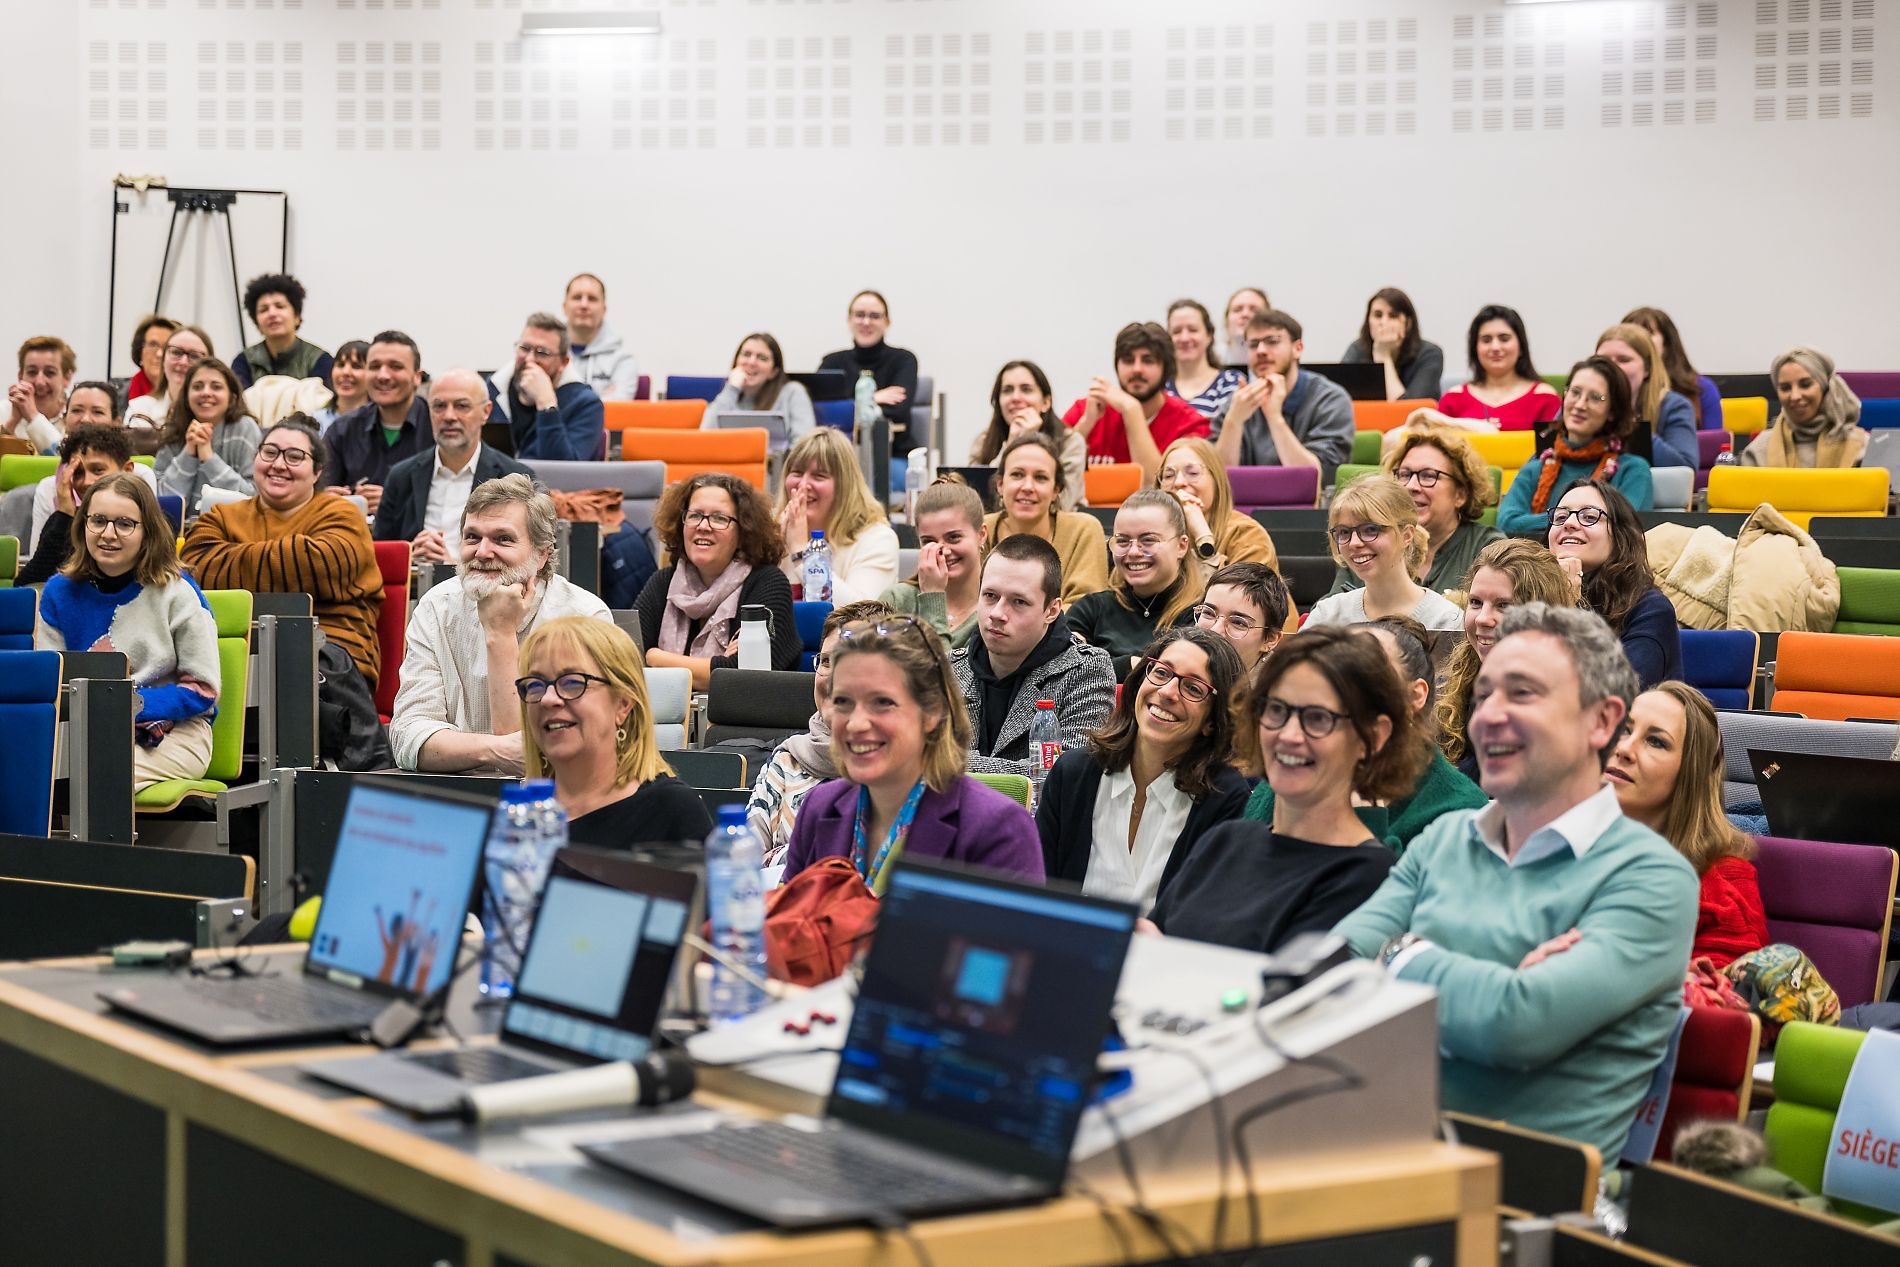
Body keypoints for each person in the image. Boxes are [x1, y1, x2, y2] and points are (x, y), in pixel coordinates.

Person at [1335, 603, 1699, 1163]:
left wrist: (1399, 954)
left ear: (1601, 722)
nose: (1488, 717)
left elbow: (1516, 1025)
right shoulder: (1446, 838)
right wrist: (1488, 985)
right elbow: (1333, 970)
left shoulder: (1652, 878)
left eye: (1522, 694)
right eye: (1484, 697)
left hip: (1523, 1207)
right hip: (1375, 1151)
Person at [1147, 627, 1428, 952]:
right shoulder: (1224, 841)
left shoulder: (1368, 876)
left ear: (1374, 737)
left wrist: (1160, 956)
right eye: (1277, 710)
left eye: (1318, 718)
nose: (1289, 735)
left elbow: (1280, 993)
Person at [780, 614, 1045, 890]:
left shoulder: (1000, 830)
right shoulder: (819, 807)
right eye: (843, 702)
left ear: (932, 712)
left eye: (882, 702)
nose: (856, 724)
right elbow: (788, 927)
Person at [390, 474, 611, 774]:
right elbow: (408, 738)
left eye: (502, 539)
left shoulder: (584, 616)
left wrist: (501, 633)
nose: (482, 552)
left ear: (541, 554)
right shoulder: (435, 607)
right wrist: (493, 752)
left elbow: (546, 758)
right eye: (472, 537)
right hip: (456, 797)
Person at [1037, 628, 1249, 912]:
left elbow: (1209, 919)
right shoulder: (1074, 774)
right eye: (1161, 673)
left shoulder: (1224, 797)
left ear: (1213, 720)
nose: (1167, 692)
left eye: (1193, 688)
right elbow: (1038, 892)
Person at [182, 415, 386, 708]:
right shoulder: (222, 515)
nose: (278, 464)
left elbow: (322, 564)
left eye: (294, 457)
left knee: (296, 680)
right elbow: (196, 569)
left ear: (316, 472)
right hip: (236, 647)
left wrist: (233, 557)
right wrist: (289, 557)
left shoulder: (341, 513)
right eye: (269, 452)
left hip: (328, 647)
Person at [35, 473, 220, 791]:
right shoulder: (58, 592)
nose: (108, 533)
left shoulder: (178, 592)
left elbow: (203, 691)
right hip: (84, 729)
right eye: (98, 521)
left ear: (147, 531)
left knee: (95, 772)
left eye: (124, 523)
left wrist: (121, 706)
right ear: (83, 525)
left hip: (173, 732)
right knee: (24, 768)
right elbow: (48, 682)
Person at [1241, 620, 1487, 853]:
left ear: (1415, 696)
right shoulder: (1299, 765)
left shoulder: (1458, 809)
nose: (1341, 689)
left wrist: (1366, 826)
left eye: (1365, 677)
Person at [1607, 682, 1767, 970]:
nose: (1624, 749)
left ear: (1689, 774)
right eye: (1624, 729)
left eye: (1656, 741)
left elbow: (1719, 1002)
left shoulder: (1721, 894)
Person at [516, 616, 712, 847]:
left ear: (623, 704)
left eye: (572, 683)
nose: (548, 699)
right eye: (535, 685)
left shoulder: (671, 811)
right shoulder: (519, 817)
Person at [949, 534, 1116, 779]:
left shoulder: (1086, 669)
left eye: (1018, 602)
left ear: (1051, 611)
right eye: (990, 596)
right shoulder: (947, 668)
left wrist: (953, 764)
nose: (997, 613)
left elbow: (1067, 775)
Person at [748, 599, 892, 867]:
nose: (835, 676)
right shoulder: (787, 759)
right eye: (826, 661)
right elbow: (741, 861)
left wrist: (777, 857)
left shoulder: (896, 770)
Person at [636, 471, 800, 688]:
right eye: (695, 515)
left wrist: (656, 658)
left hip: (739, 719)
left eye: (719, 518)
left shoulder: (768, 583)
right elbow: (626, 659)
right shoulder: (663, 583)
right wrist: (715, 667)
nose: (703, 526)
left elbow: (747, 677)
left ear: (744, 532)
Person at [1437, 539, 1578, 778]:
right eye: (1475, 602)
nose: (1482, 618)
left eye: (1503, 606)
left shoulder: (1569, 698)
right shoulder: (1464, 677)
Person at [373, 368, 533, 560]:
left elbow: (530, 559)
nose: (449, 416)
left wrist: (454, 566)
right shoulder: (401, 476)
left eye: (462, 406)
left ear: (486, 412)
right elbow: (378, 555)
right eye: (439, 406)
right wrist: (407, 557)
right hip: (415, 585)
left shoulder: (515, 479)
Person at [1329, 425, 1501, 598]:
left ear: (1460, 494)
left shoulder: (1488, 548)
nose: (1411, 486)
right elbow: (1331, 612)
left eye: (1428, 476)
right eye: (1404, 475)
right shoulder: (1364, 542)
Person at [1497, 355, 1654, 536]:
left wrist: (1551, 519)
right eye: (1575, 392)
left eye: (1595, 398)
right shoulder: (1536, 468)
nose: (1580, 405)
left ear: (1612, 411)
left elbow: (1623, 524)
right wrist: (1575, 518)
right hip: (1535, 562)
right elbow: (1506, 522)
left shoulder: (1632, 469)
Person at [1547, 479, 1681, 688]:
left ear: (1620, 536)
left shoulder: (1651, 610)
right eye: (1560, 516)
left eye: (1589, 517)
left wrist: (1568, 608)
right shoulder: (1530, 596)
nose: (1569, 523)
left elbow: (1616, 697)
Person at [1067, 490, 1205, 677]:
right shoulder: (1091, 608)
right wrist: (1129, 664)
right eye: (1122, 541)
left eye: (1148, 540)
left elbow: (1174, 676)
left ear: (1181, 546)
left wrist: (1100, 664)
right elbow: (1063, 668)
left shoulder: (1200, 615)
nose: (1133, 552)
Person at [1211, 308, 1355, 483]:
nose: (1261, 351)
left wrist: (1274, 417)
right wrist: (1234, 421)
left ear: (1297, 348)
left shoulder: (1331, 400)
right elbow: (1218, 482)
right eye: (1253, 344)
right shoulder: (1238, 403)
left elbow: (1313, 480)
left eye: (1272, 341)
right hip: (1245, 505)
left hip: (1311, 509)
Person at [1304, 475, 1463, 630]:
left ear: (1406, 535)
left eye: (1370, 530)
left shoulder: (1446, 619)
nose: (1354, 543)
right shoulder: (1327, 615)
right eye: (1344, 532)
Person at [1062, 321, 1210, 481]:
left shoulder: (1190, 424)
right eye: (1128, 360)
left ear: (1165, 368)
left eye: (1148, 360)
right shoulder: (1084, 410)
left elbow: (1159, 488)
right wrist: (1085, 425)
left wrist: (1132, 411)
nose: (1137, 369)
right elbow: (1051, 476)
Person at [980, 431, 1108, 604]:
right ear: (1000, 485)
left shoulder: (1083, 530)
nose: (1027, 486)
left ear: (1056, 490)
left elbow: (1086, 610)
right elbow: (965, 604)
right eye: (1017, 474)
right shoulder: (979, 530)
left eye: (1040, 477)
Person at [26, 385, 158, 551]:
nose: (86, 419)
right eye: (77, 410)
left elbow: (150, 549)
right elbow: (37, 572)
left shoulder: (140, 477)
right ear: (64, 420)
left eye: (97, 412)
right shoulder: (50, 488)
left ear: (117, 422)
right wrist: (65, 514)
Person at [776, 427, 900, 604]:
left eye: (819, 476)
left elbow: (860, 615)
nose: (803, 485)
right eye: (797, 473)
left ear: (844, 487)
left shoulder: (877, 539)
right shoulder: (773, 531)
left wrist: (802, 554)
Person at [321, 330, 431, 515]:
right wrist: (326, 498)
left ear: (417, 377)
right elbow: (321, 492)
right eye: (374, 366)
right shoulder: (342, 430)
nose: (383, 375)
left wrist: (394, 502)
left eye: (395, 367)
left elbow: (453, 502)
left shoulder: (437, 428)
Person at [878, 479, 985, 649]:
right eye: (929, 541)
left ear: (981, 534)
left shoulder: (995, 611)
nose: (943, 550)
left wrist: (933, 596)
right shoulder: (897, 600)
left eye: (954, 537)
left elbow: (946, 674)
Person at [966, 360, 1087, 509]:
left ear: (1046, 402)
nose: (1016, 398)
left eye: (1026, 389)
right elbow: (980, 506)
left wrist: (1029, 441)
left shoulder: (1071, 442)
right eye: (1007, 390)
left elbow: (1061, 505)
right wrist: (1012, 444)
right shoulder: (983, 442)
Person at [484, 313, 606, 461]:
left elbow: (565, 472)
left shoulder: (586, 404)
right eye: (525, 348)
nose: (530, 360)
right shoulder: (491, 390)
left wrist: (547, 405)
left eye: (542, 353)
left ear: (563, 362)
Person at [818, 289, 920, 455]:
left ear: (887, 322)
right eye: (859, 314)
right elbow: (822, 411)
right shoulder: (832, 362)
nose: (866, 322)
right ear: (849, 320)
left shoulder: (903, 360)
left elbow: (897, 412)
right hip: (838, 455)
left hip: (892, 454)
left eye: (874, 316)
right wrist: (873, 399)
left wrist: (847, 406)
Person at [154, 357, 262, 511]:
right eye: (197, 387)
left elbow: (252, 497)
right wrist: (188, 454)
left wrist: (209, 458)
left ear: (232, 397)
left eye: (216, 387)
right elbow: (158, 502)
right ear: (186, 397)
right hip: (178, 530)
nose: (206, 393)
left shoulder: (245, 428)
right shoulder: (173, 432)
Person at [1156, 436, 1278, 569]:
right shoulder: (1148, 533)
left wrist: (1203, 536)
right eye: (1168, 475)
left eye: (1193, 473)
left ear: (1217, 481)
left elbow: (1236, 589)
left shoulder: (1246, 533)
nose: (1178, 482)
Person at [1741, 346, 1869, 469]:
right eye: (1785, 388)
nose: (1795, 396)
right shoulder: (1758, 452)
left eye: (1805, 385)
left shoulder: (1861, 448)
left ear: (1825, 388)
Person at [1436, 305, 1561, 431]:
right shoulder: (1453, 398)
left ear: (1521, 347)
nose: (1495, 347)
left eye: (1504, 339)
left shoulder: (1545, 398)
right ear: (1475, 349)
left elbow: (1552, 449)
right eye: (1486, 340)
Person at [1595, 323, 1697, 469]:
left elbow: (1684, 469)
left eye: (1623, 360)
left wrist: (1627, 422)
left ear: (1647, 369)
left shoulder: (1675, 406)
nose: (1612, 367)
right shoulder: (1579, 404)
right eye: (1603, 360)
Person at [1624, 306, 1722, 431]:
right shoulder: (1615, 389)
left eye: (1648, 333)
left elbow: (1712, 443)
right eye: (1633, 336)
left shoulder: (1701, 388)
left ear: (1667, 343)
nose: (1640, 342)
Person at [231, 272, 334, 390]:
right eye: (263, 310)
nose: (272, 314)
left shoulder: (319, 360)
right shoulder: (244, 361)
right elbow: (239, 404)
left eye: (280, 306)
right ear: (257, 323)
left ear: (296, 316)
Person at [702, 332, 814, 440]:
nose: (751, 362)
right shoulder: (728, 396)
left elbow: (804, 446)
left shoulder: (793, 392)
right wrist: (732, 389)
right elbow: (704, 436)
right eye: (746, 354)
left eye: (762, 358)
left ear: (774, 371)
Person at [1342, 288, 1446, 402]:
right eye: (1378, 315)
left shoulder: (1430, 354)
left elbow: (1410, 412)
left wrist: (1383, 356)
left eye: (1393, 316)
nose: (1383, 322)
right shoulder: (1357, 349)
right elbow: (1341, 402)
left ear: (1408, 323)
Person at [560, 272, 641, 402]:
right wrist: (601, 398)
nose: (584, 305)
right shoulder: (548, 354)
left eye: (592, 299)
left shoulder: (623, 361)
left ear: (604, 309)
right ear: (564, 307)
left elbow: (617, 410)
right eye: (577, 297)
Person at [1195, 561, 1291, 668]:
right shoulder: (1177, 666)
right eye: (1208, 613)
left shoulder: (1280, 684)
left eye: (1238, 622)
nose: (1215, 630)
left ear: (1270, 639)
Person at [1164, 299, 1246, 419]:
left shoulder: (1231, 382)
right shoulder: (1159, 387)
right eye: (1176, 331)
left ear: (1209, 336)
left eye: (1193, 330)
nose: (1184, 338)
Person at [126, 325, 213, 432]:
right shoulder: (140, 409)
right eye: (176, 352)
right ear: (163, 359)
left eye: (194, 356)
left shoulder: (218, 411)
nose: (183, 362)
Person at [5, 336, 76, 454]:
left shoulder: (79, 413)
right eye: (32, 372)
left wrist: (33, 416)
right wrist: (11, 423)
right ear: (20, 376)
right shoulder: (3, 411)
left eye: (50, 373)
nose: (40, 382)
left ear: (67, 378)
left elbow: (68, 461)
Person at [313, 340, 370, 433]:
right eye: (341, 365)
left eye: (356, 366)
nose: (346, 372)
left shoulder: (381, 423)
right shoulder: (315, 421)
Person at [124, 315, 178, 403]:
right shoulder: (117, 396)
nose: (160, 354)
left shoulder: (187, 397)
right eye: (153, 345)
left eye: (166, 347)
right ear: (139, 351)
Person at [1220, 286, 1270, 368]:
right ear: (1226, 321)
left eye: (1254, 310)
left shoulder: (1277, 360)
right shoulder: (1209, 359)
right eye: (1237, 309)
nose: (1245, 314)